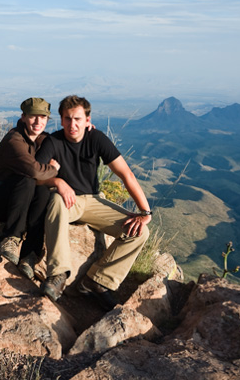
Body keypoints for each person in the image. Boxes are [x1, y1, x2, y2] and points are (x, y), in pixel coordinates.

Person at [35, 95, 153, 308]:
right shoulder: (53, 141)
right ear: (61, 120)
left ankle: (97, 281)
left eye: (78, 119)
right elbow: (36, 175)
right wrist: (58, 181)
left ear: (87, 120)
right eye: (68, 119)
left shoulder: (97, 138)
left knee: (140, 232)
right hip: (67, 203)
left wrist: (145, 212)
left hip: (93, 201)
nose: (73, 124)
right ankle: (58, 274)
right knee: (55, 198)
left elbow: (126, 174)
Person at [0, 97, 61, 280]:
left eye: (43, 117)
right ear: (23, 117)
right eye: (33, 117)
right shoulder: (14, 140)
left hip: (15, 200)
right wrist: (53, 170)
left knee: (43, 190)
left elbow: (62, 140)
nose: (38, 122)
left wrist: (86, 131)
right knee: (29, 179)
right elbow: (33, 170)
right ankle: (10, 238)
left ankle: (29, 254)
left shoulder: (39, 138)